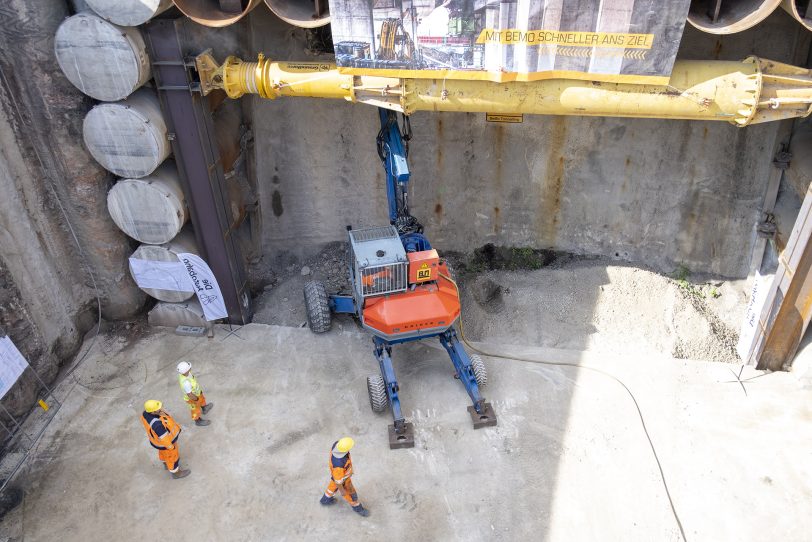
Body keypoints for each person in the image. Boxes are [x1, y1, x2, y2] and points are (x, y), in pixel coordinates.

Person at [140, 400, 190, 479]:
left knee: (163, 453)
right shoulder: (158, 425)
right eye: (158, 408)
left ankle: (165, 463)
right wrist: (171, 447)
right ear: (153, 412)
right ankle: (176, 473)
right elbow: (164, 439)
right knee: (172, 457)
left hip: (158, 443)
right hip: (166, 444)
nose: (161, 409)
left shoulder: (145, 414)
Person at [319, 437, 369, 517]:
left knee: (331, 489)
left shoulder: (337, 445)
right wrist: (342, 491)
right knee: (351, 496)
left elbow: (336, 479)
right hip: (343, 481)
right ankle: (358, 508)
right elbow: (338, 482)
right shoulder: (339, 465)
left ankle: (325, 500)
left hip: (336, 477)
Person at [177, 361, 213, 426]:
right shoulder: (186, 383)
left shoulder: (186, 374)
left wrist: (199, 395)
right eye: (189, 368)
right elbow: (190, 394)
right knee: (195, 410)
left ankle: (204, 408)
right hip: (193, 398)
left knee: (202, 400)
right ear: (186, 371)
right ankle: (198, 421)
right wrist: (196, 399)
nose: (190, 368)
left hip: (197, 393)